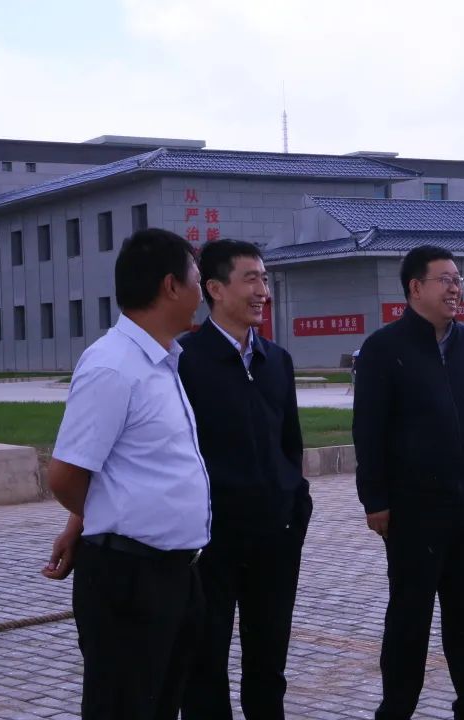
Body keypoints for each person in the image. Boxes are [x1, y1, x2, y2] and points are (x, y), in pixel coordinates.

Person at [41, 228, 210, 720]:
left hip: (175, 573)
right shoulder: (113, 366)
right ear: (170, 286)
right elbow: (65, 475)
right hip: (129, 579)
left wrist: (89, 519)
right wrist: (103, 520)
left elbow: (128, 469)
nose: (201, 291)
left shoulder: (161, 361)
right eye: (197, 279)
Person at [352, 244, 464, 720]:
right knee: (410, 617)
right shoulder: (384, 349)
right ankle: (396, 710)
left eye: (458, 279)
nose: (455, 288)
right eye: (445, 280)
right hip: (413, 507)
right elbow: (368, 430)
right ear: (415, 288)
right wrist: (374, 499)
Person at [178, 240, 312, 719]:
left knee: (268, 663)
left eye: (265, 279)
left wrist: (296, 505)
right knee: (204, 662)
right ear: (215, 289)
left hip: (275, 536)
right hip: (211, 543)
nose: (263, 291)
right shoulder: (184, 360)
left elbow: (290, 445)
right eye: (251, 279)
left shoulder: (277, 360)